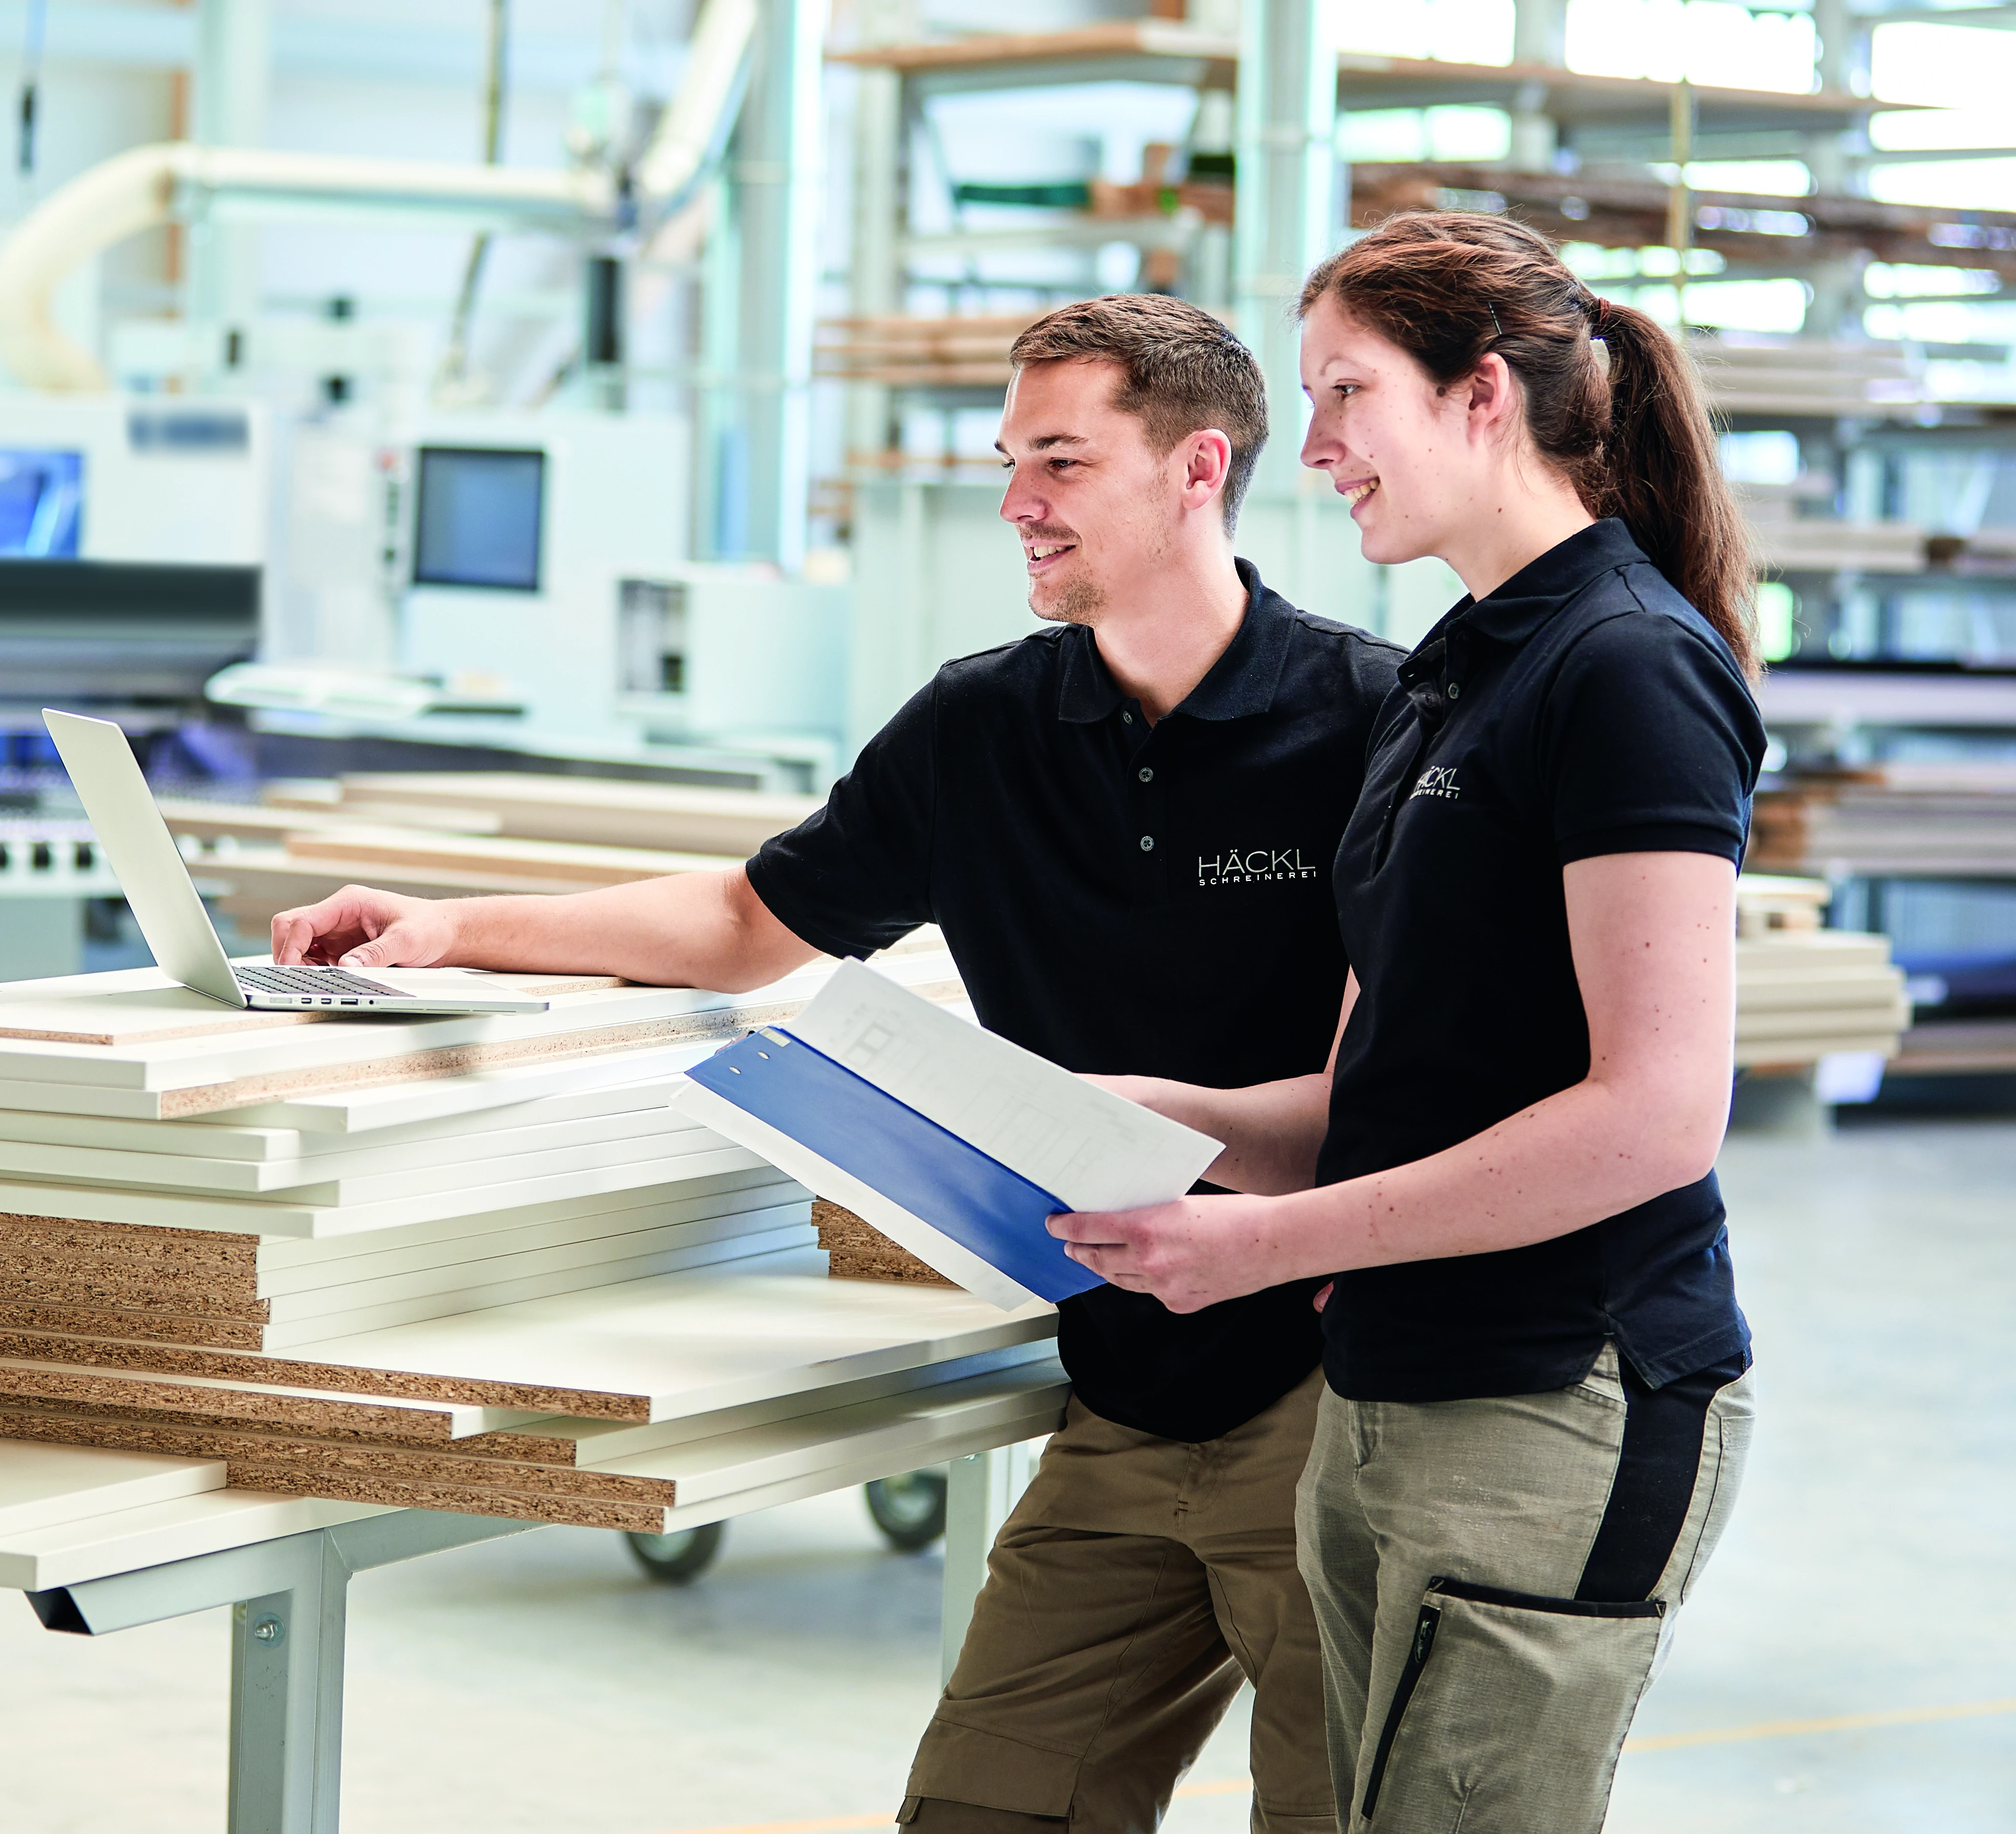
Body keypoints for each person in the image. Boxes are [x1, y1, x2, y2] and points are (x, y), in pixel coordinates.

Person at [273, 294, 1404, 1833]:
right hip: (1126, 1395)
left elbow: (1403, 1091)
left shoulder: (1373, 722)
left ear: (1197, 468)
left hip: (1336, 1397)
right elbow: (751, 918)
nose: (1015, 502)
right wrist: (451, 921)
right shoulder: (982, 726)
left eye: (1059, 463)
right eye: (1011, 459)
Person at [1047, 212, 1765, 1834]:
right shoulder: (1455, 672)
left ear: (1481, 396)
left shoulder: (1627, 666)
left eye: (1344, 394)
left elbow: (1653, 1115)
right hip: (1391, 1389)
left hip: (1548, 1386)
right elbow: (1388, 1088)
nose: (1311, 450)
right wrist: (1134, 1113)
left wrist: (1270, 1245)